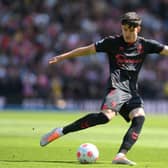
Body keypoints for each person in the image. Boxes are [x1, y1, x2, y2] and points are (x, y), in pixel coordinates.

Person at [40, 12, 168, 165]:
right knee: (105, 117)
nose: (127, 33)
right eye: (124, 29)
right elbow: (87, 50)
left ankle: (120, 155)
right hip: (116, 88)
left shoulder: (145, 45)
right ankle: (60, 131)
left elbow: (166, 49)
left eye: (130, 30)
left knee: (139, 117)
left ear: (138, 29)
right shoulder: (112, 43)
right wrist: (63, 57)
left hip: (132, 91)